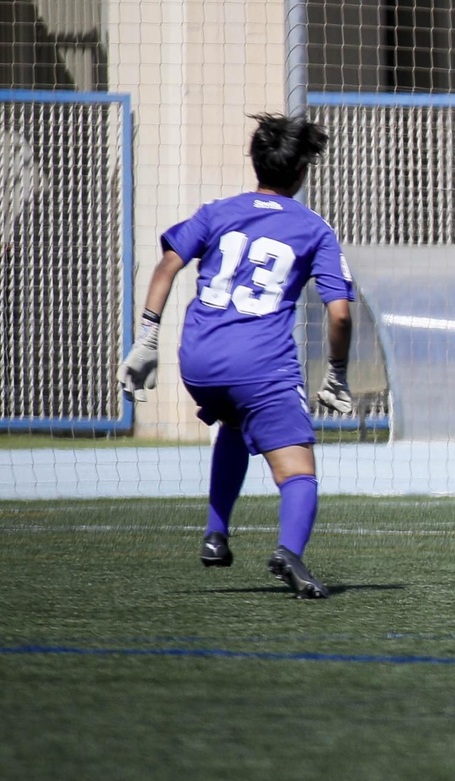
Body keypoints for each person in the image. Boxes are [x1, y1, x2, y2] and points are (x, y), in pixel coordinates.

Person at [117, 113, 356, 598]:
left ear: (256, 162)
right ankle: (289, 552)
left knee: (232, 421)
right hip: (260, 364)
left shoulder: (216, 211)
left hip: (199, 359)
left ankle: (215, 534)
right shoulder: (315, 229)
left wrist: (146, 341)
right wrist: (335, 374)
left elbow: (166, 266)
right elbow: (340, 315)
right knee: (299, 472)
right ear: (303, 171)